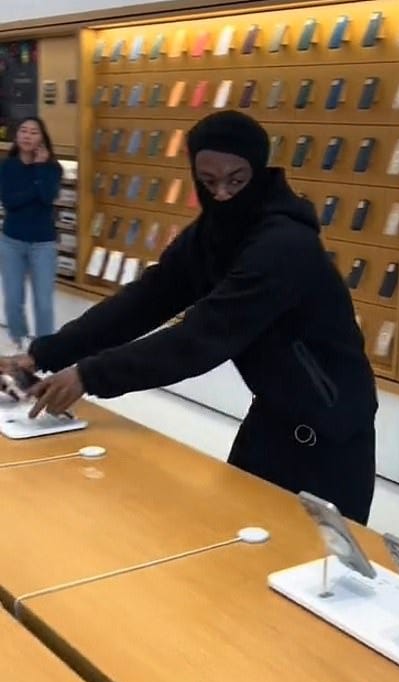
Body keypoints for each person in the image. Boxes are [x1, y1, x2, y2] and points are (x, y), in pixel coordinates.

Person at [0, 111, 378, 524]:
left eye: (236, 180)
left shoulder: (285, 244)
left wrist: (89, 375)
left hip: (331, 437)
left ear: (258, 169)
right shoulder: (212, 232)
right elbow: (144, 301)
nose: (221, 195)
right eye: (208, 181)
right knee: (229, 545)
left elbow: (201, 339)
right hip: (271, 419)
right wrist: (42, 354)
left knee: (319, 569)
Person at [0, 116, 62, 352]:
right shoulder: (7, 166)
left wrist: (39, 168)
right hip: (11, 241)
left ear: (42, 138)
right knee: (13, 300)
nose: (27, 136)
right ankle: (19, 341)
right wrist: (34, 190)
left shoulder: (52, 168)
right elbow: (9, 201)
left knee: (44, 303)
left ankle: (44, 350)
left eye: (33, 132)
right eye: (23, 131)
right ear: (16, 136)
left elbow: (47, 197)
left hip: (43, 244)